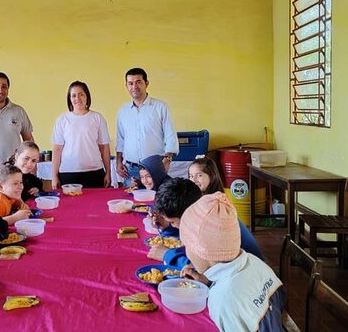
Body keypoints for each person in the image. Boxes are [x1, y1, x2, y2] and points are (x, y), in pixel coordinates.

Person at [179, 193, 285, 331]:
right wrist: (210, 283)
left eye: (187, 245)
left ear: (203, 251)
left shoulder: (222, 299)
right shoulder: (255, 262)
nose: (187, 251)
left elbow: (232, 299)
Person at [147, 178, 264, 267]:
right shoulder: (204, 211)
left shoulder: (212, 228)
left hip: (246, 277)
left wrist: (168, 255)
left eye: (172, 222)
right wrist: (167, 227)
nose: (173, 225)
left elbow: (204, 269)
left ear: (187, 217)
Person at [116, 68, 179, 187]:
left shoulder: (160, 107)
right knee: (131, 203)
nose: (134, 86)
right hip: (131, 171)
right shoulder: (123, 112)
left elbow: (170, 135)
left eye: (138, 82)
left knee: (157, 203)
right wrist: (118, 162)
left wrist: (167, 159)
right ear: (126, 86)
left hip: (154, 170)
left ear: (146, 83)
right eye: (130, 83)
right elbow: (120, 140)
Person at [51, 81, 111, 189]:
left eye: (81, 94)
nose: (77, 98)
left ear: (87, 96)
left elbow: (104, 148)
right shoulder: (62, 120)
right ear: (69, 99)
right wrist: (54, 176)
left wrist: (108, 173)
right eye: (73, 95)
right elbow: (57, 150)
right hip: (68, 173)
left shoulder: (97, 118)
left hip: (94, 172)